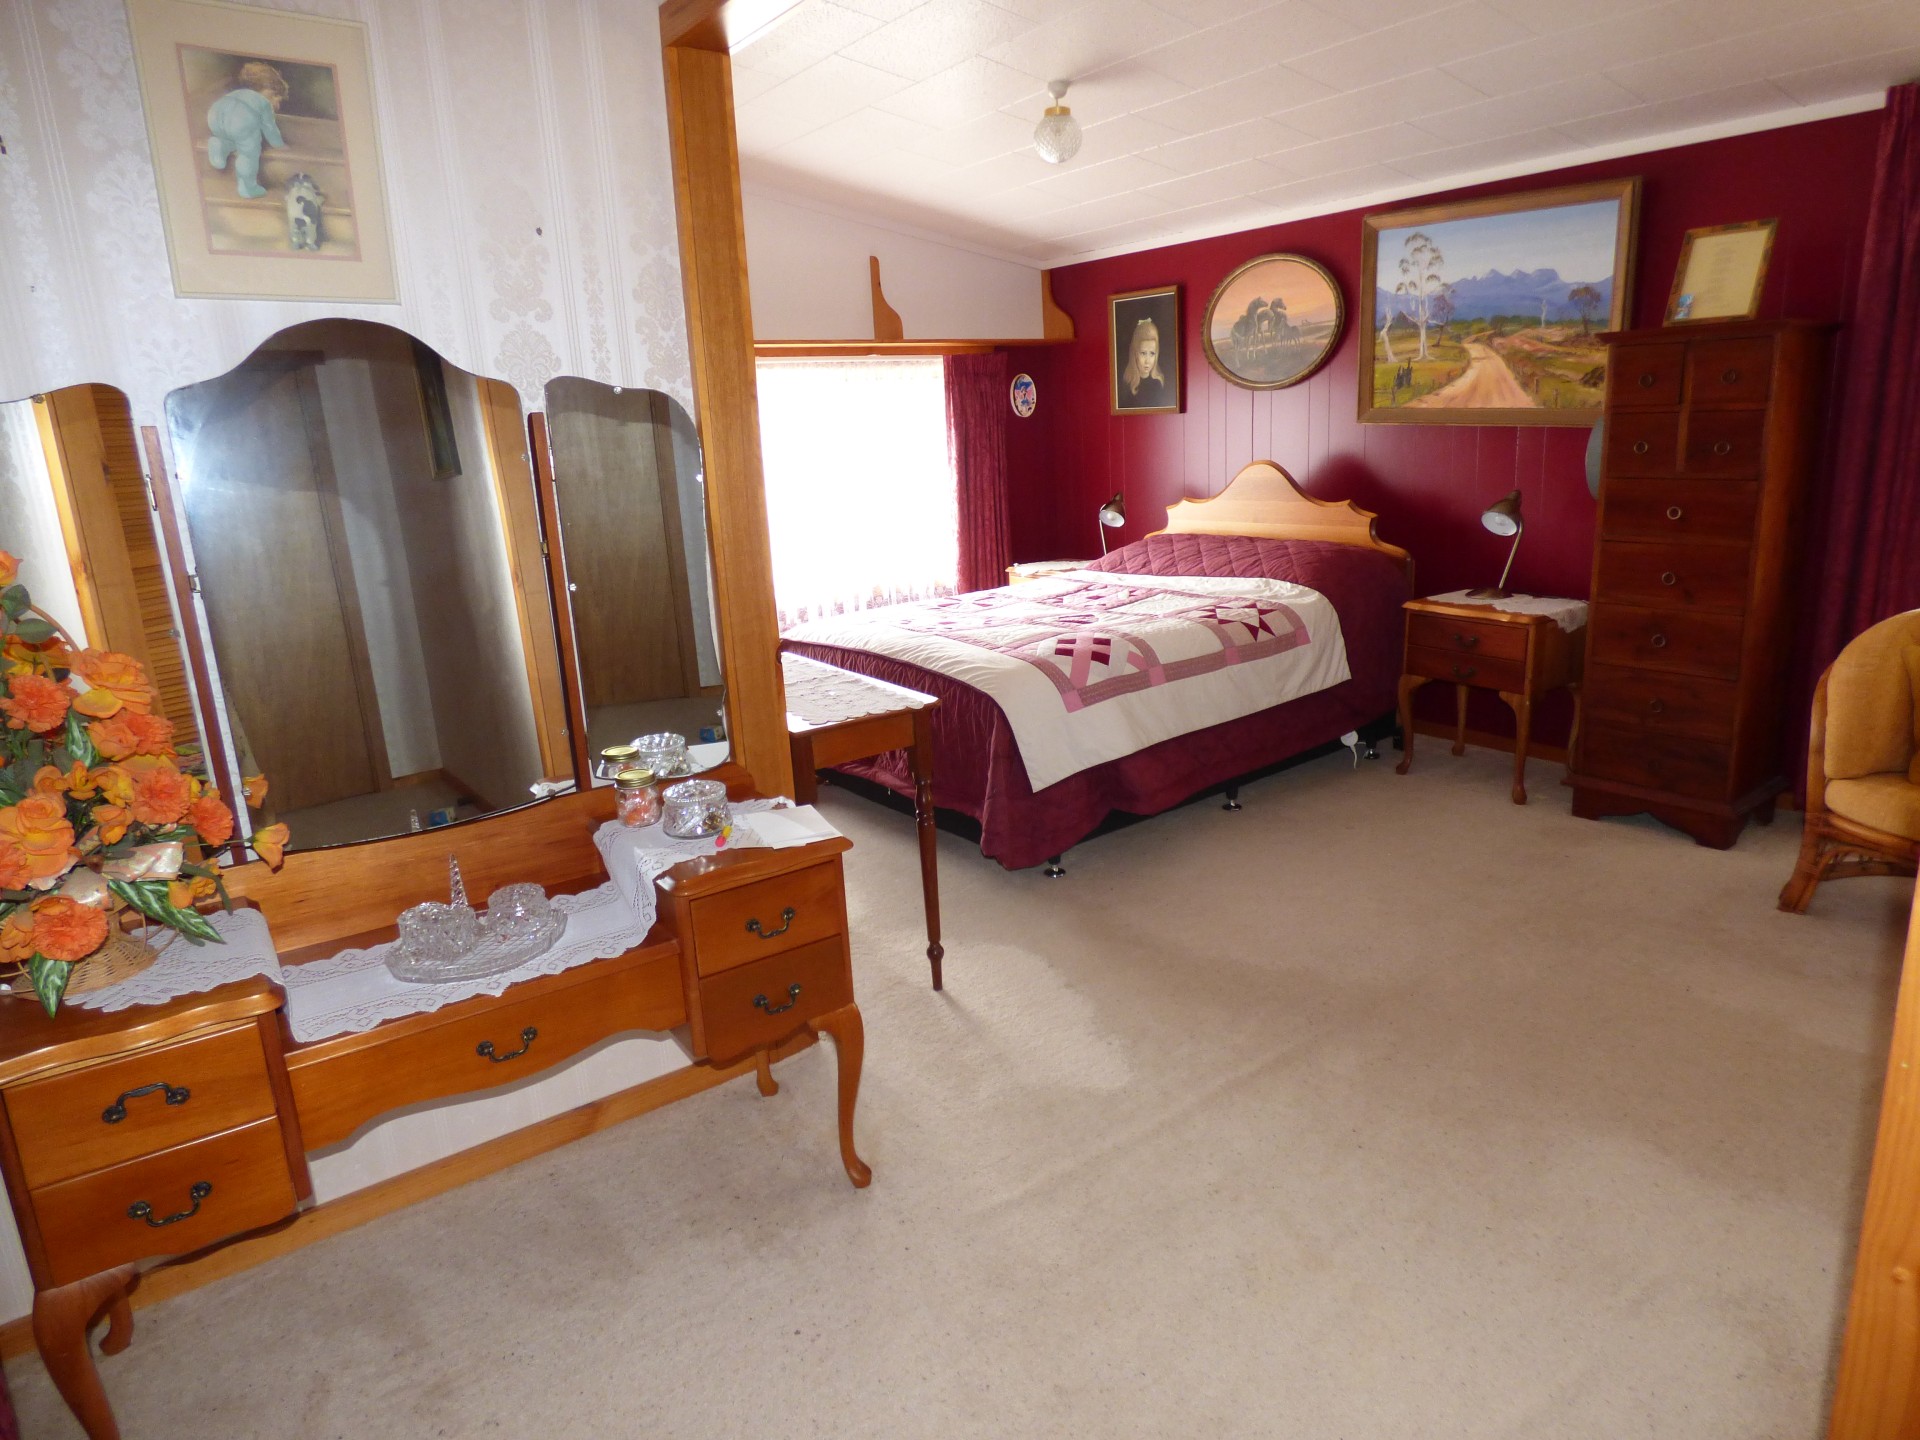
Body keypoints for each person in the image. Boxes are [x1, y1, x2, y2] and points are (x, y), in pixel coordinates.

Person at [206, 60, 288, 200]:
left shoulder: (237, 93)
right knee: (249, 152)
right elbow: (270, 129)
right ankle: (247, 188)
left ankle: (218, 146)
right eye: (274, 96)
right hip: (240, 120)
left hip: (215, 114)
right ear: (262, 88)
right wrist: (279, 145)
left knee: (232, 138)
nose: (277, 104)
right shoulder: (263, 104)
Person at [1119, 315, 1171, 410]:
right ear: (1135, 353)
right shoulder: (1127, 383)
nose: (1147, 361)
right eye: (1143, 353)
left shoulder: (1158, 384)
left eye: (1152, 353)